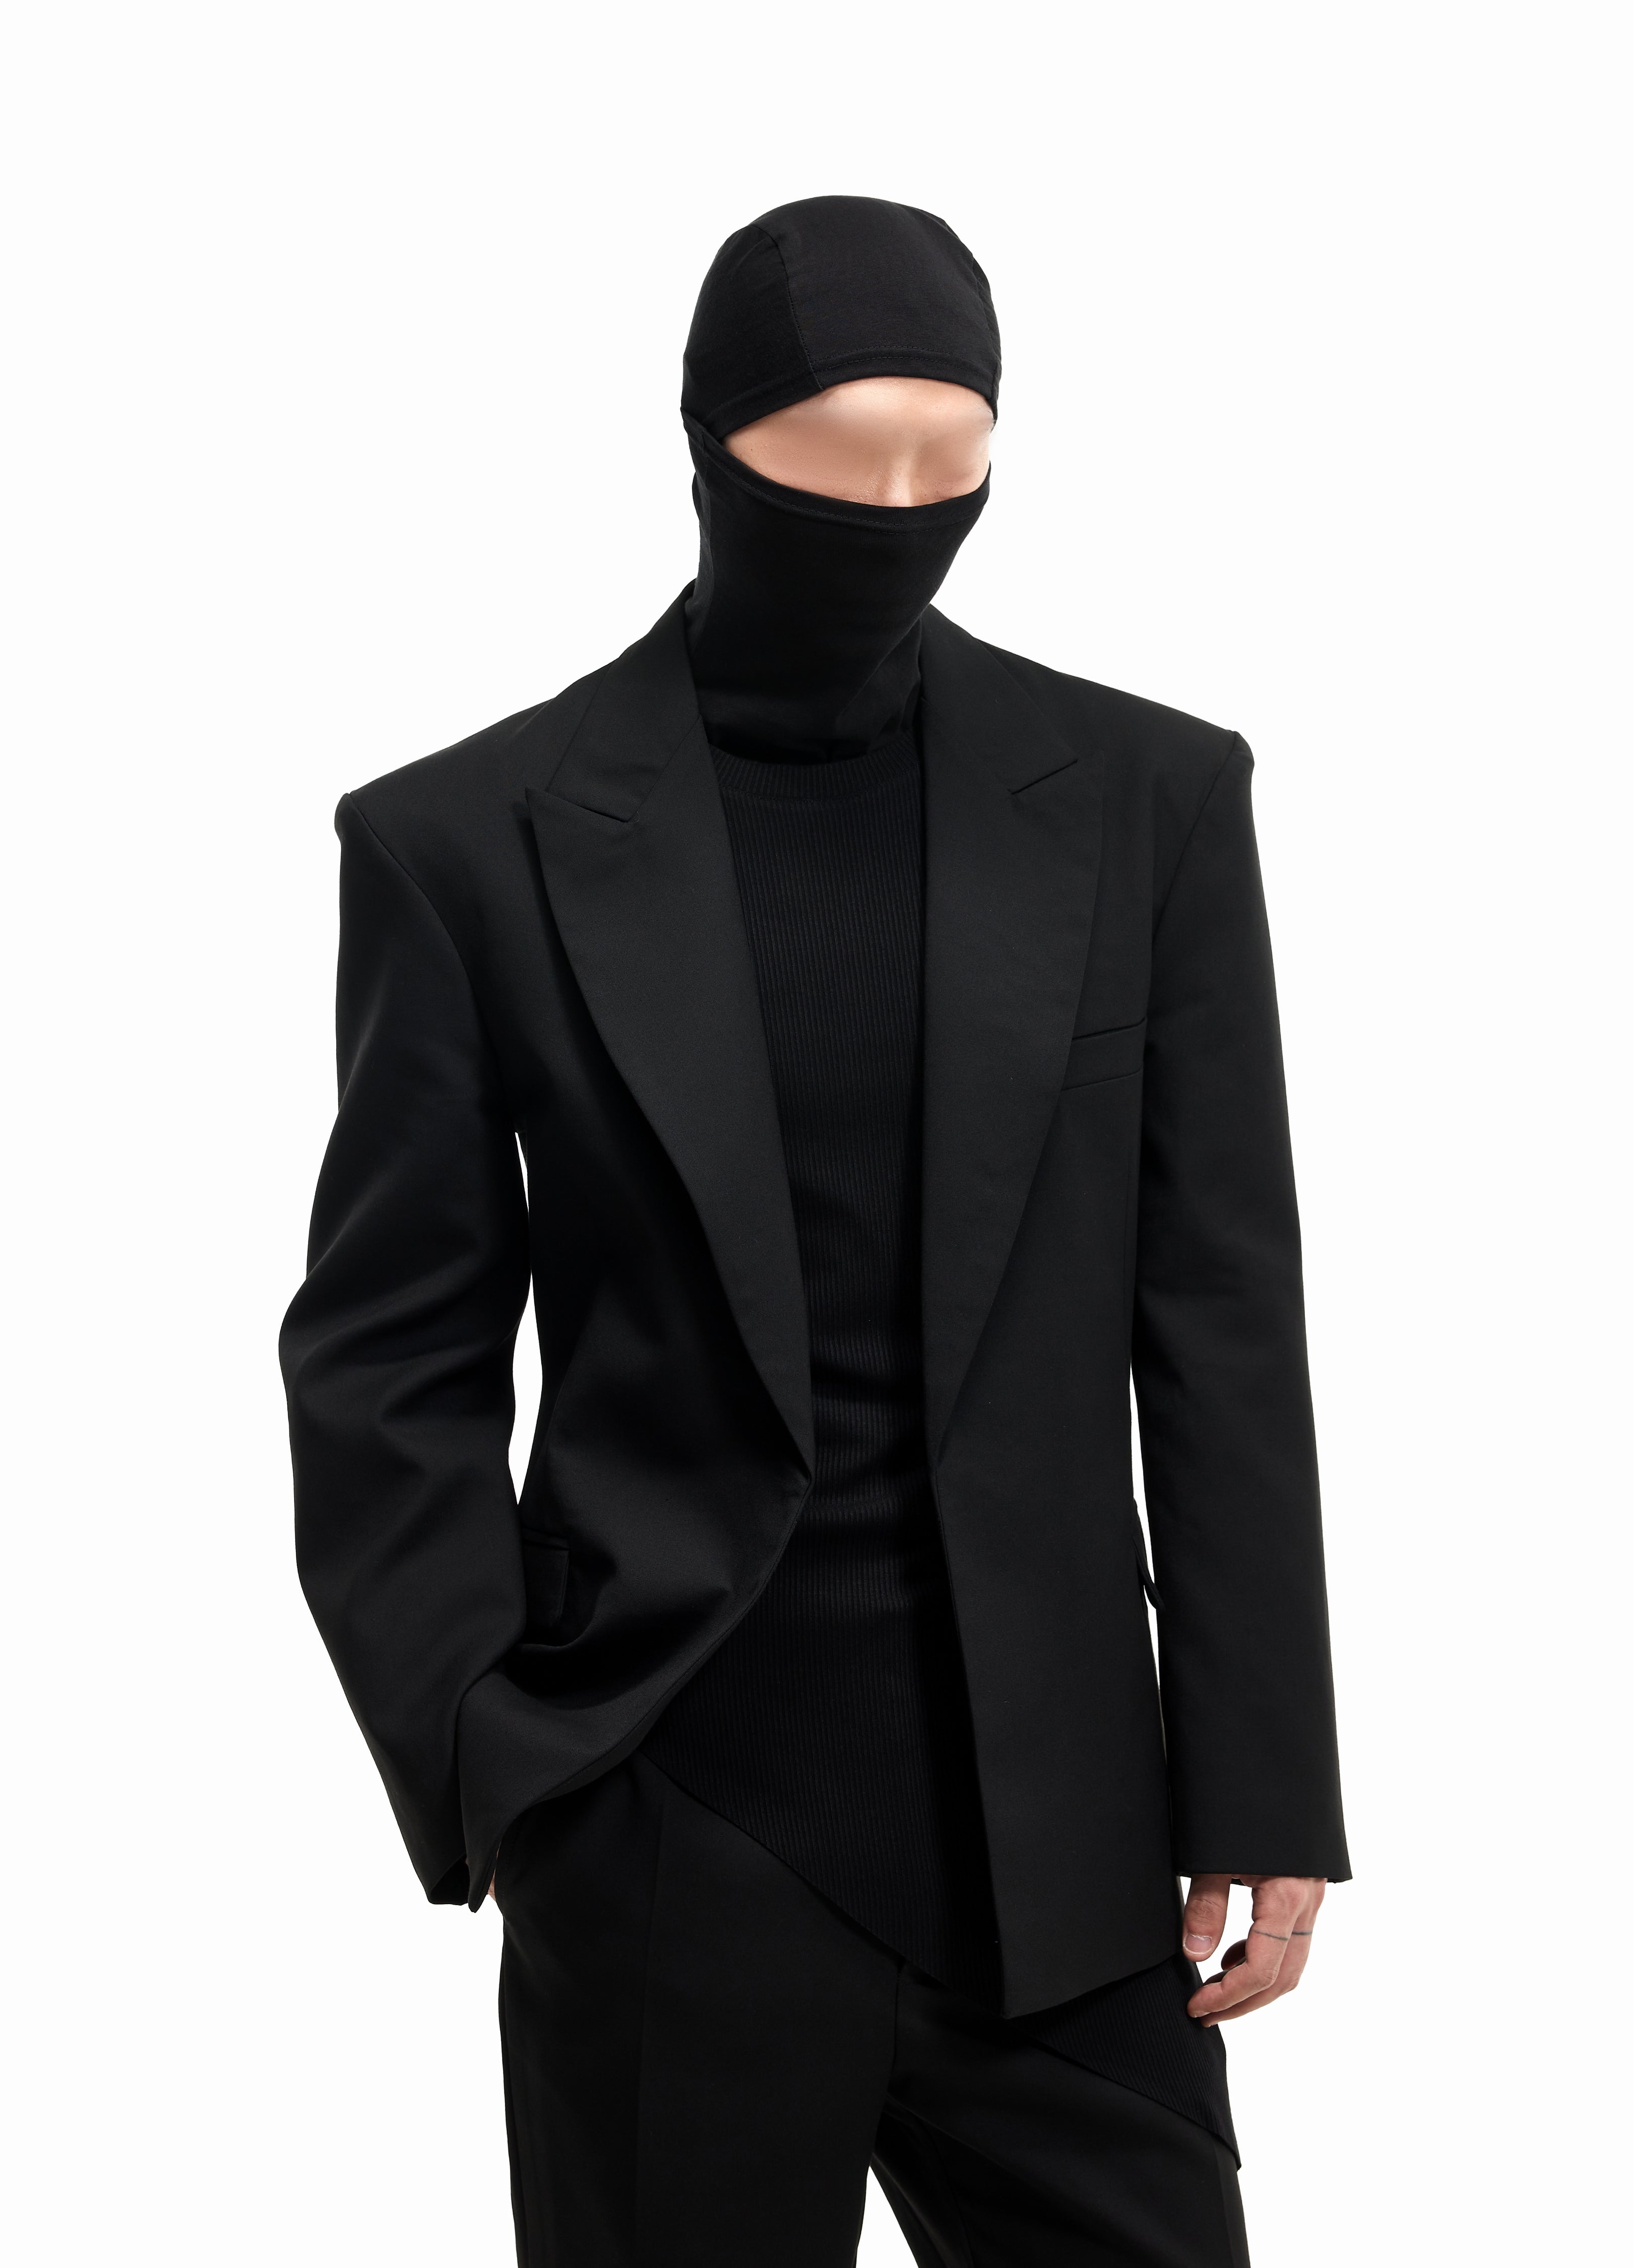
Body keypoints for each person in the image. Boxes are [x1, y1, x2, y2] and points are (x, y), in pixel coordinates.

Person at [281, 195, 1348, 2267]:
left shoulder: (1151, 800)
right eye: (840, 453)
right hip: (673, 1831)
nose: (895, 506)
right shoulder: (462, 840)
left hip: (1071, 1861)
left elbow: (1223, 1307)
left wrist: (1264, 1774)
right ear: (714, 442)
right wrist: (502, 1762)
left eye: (952, 458)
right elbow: (388, 1348)